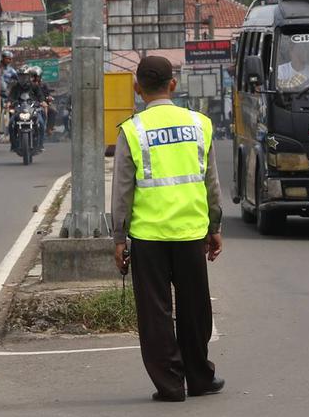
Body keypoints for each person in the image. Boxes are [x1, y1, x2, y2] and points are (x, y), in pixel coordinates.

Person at [111, 56, 224, 402]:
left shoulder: (132, 130)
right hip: (191, 232)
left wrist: (119, 238)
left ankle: (171, 385)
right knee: (195, 308)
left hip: (149, 238)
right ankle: (200, 377)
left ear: (137, 87)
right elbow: (211, 183)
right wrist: (214, 226)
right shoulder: (200, 124)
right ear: (173, 84)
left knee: (156, 313)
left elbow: (122, 191)